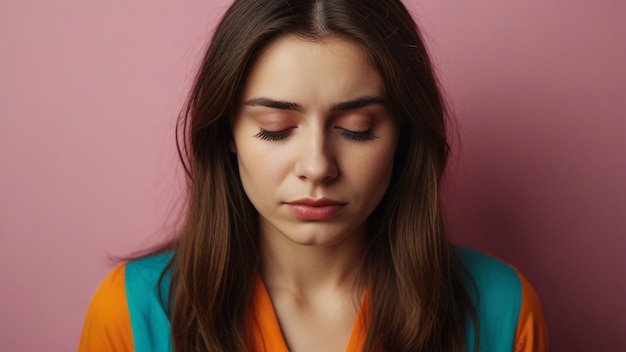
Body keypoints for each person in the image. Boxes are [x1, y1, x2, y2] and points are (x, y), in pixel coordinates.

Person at [79, 0, 548, 351]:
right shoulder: (133, 312)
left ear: (404, 132)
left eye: (357, 129)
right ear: (227, 132)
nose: (317, 166)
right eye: (276, 129)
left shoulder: (500, 310)